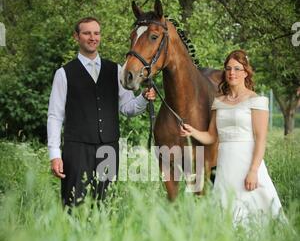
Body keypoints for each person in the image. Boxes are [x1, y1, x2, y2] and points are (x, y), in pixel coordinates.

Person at [47, 16, 155, 206]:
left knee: (105, 206)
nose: (92, 37)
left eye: (96, 33)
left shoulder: (116, 70)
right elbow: (55, 116)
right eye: (87, 33)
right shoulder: (64, 73)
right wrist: (54, 154)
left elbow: (127, 108)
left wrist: (143, 99)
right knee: (74, 204)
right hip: (77, 149)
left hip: (108, 149)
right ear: (76, 36)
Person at [180, 49, 283, 225]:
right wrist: (192, 131)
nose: (232, 73)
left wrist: (253, 171)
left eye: (237, 68)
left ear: (245, 72)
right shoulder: (219, 102)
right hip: (225, 166)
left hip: (247, 164)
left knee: (257, 211)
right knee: (227, 212)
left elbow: (261, 139)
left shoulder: (256, 100)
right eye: (228, 69)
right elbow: (211, 137)